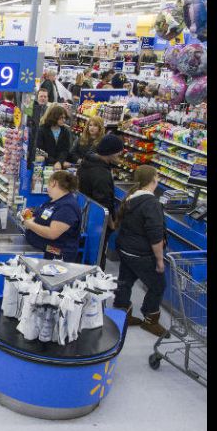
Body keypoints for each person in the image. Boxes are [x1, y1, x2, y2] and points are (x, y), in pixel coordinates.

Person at [113, 165, 167, 336]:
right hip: (141, 254)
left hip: (125, 249)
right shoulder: (152, 204)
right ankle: (150, 320)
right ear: (153, 180)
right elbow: (155, 236)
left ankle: (123, 314)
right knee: (158, 284)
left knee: (125, 281)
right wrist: (159, 260)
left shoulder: (131, 198)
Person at [77, 134, 124, 270]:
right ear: (110, 152)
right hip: (97, 222)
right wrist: (112, 224)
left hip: (86, 213)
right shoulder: (101, 174)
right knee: (97, 255)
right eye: (118, 153)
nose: (119, 156)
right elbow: (104, 202)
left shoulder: (88, 161)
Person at [22, 171, 82, 262]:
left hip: (55, 256)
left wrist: (30, 224)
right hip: (41, 250)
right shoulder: (54, 201)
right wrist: (31, 214)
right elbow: (42, 214)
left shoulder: (67, 207)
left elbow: (52, 233)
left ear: (53, 182)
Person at [35, 105, 73, 170]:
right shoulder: (42, 130)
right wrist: (56, 162)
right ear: (54, 117)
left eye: (64, 118)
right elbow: (40, 149)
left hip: (60, 165)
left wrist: (59, 162)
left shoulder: (65, 131)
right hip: (45, 164)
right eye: (61, 118)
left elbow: (65, 150)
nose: (64, 120)